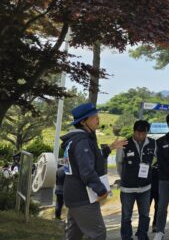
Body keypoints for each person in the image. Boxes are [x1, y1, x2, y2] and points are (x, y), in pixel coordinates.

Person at [61, 102, 127, 240]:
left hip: (73, 195)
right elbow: (87, 170)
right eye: (94, 117)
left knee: (74, 235)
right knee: (98, 233)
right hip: (83, 196)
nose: (98, 119)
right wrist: (101, 190)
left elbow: (91, 158)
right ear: (84, 122)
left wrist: (110, 148)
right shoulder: (82, 141)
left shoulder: (75, 140)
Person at [116, 120, 157, 240]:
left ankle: (142, 235)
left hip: (145, 187)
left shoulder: (152, 143)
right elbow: (119, 164)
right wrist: (126, 177)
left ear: (146, 132)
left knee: (144, 214)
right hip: (127, 188)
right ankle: (126, 237)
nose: (140, 136)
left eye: (143, 133)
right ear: (134, 131)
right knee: (126, 216)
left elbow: (155, 159)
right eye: (138, 133)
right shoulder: (124, 143)